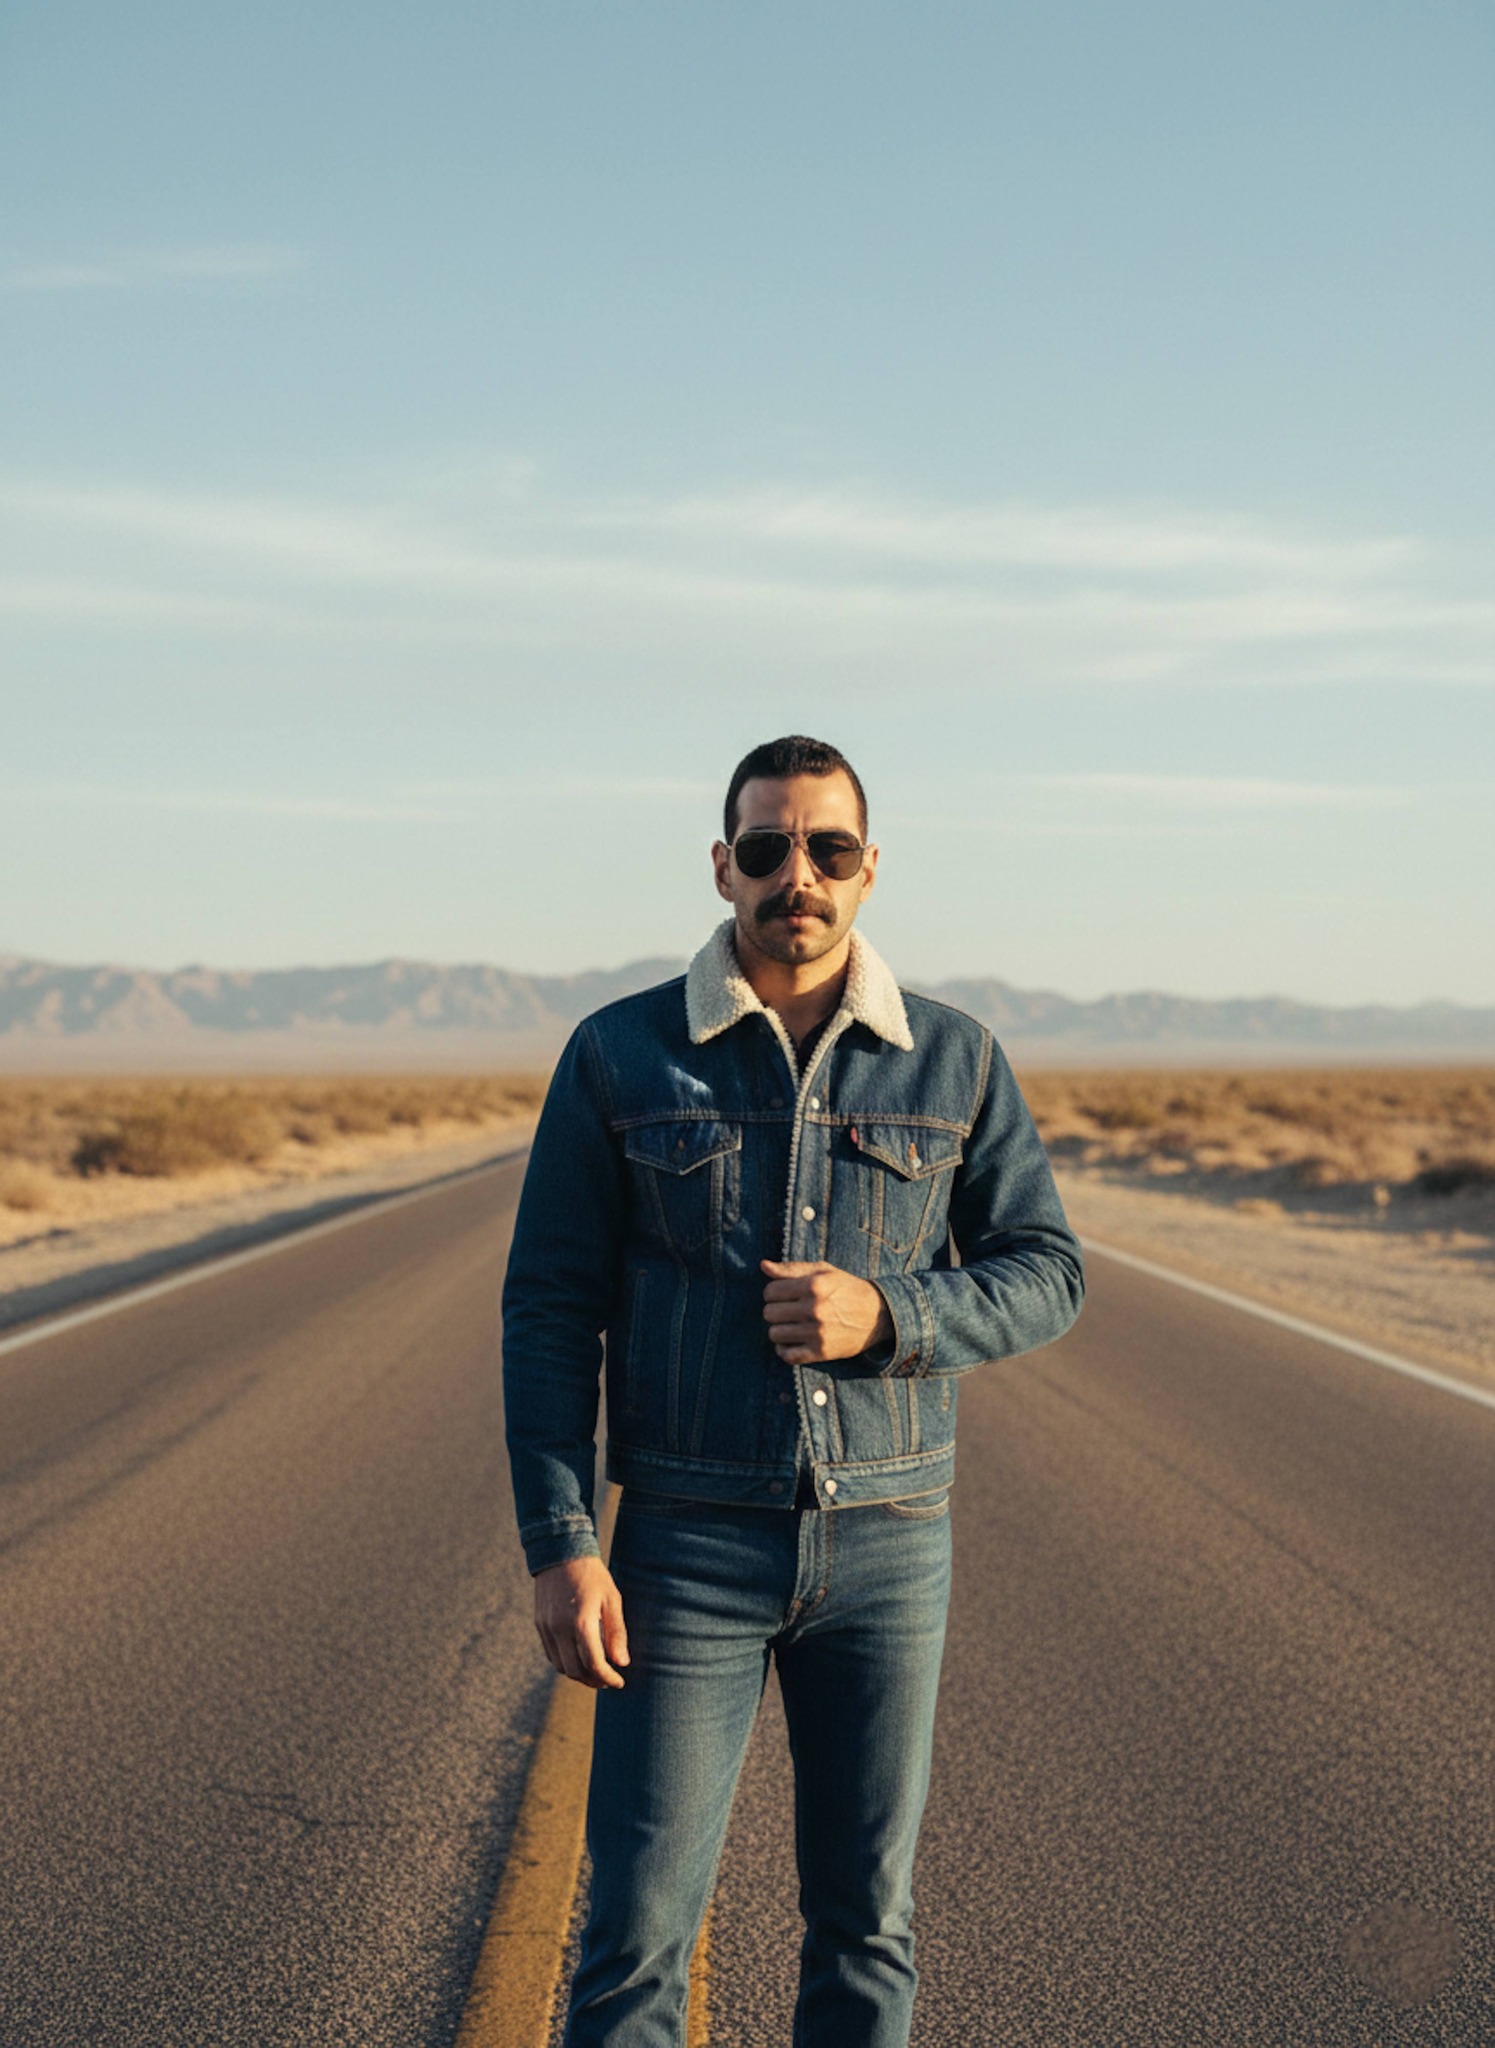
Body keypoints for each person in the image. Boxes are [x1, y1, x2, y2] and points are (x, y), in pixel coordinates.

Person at [502, 733, 1084, 2048]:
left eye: (828, 847)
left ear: (870, 868)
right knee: (638, 1932)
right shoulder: (621, 1055)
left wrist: (896, 1316)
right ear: (724, 869)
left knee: (866, 1923)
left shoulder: (955, 1060)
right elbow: (548, 1309)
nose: (797, 876)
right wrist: (562, 1542)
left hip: (891, 1545)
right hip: (684, 1549)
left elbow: (1049, 1270)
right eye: (767, 848)